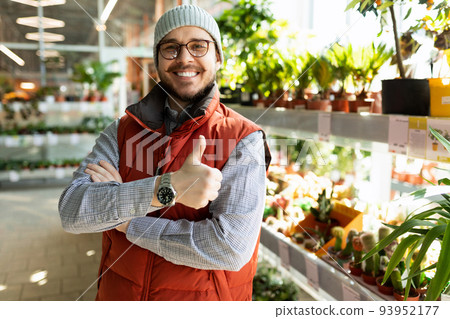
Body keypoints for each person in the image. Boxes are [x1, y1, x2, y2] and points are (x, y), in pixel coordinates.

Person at [59, 4, 270, 301]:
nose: (184, 58)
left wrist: (127, 222)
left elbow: (230, 248)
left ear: (218, 57)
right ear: (157, 60)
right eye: (171, 48)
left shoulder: (242, 139)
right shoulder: (122, 131)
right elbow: (73, 210)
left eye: (199, 46)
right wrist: (166, 189)